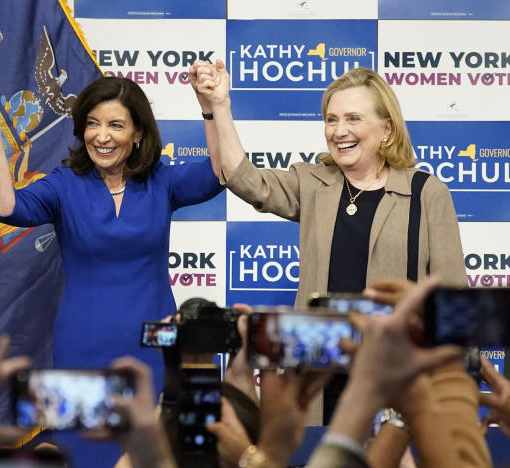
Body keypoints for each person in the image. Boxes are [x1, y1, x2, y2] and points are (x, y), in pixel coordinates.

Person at [0, 75, 224, 391]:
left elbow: (220, 173)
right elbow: (8, 207)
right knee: (84, 438)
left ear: (137, 134)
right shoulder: (64, 184)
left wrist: (214, 108)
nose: (102, 136)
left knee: (154, 437)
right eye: (93, 124)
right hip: (82, 344)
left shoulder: (162, 181)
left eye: (116, 126)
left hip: (157, 345)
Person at [196, 63, 466, 308]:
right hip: (321, 358)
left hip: (394, 358)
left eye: (354, 118)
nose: (339, 131)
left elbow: (454, 297)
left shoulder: (426, 192)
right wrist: (219, 107)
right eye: (331, 119)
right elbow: (238, 175)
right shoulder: (312, 183)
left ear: (387, 129)